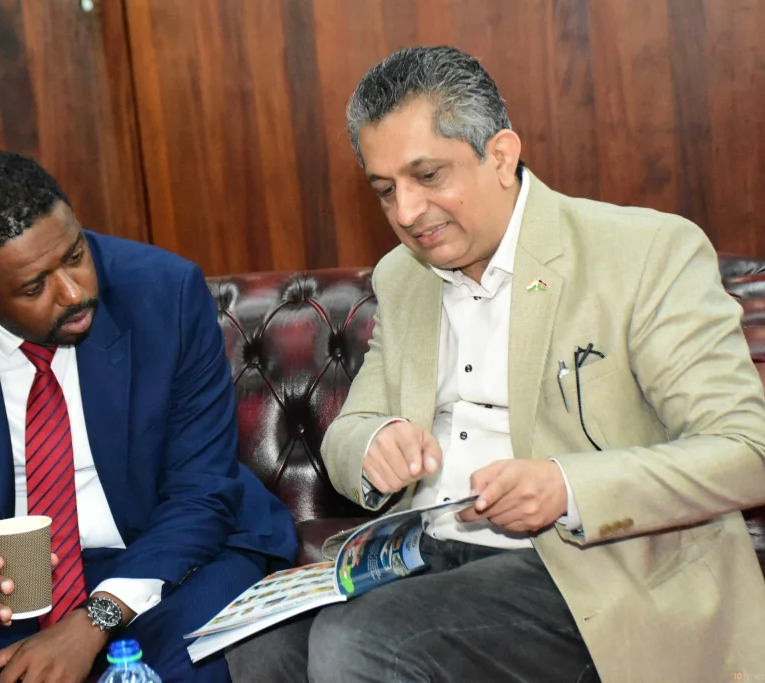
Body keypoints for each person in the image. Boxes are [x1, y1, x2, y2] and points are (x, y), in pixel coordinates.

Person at [225, 46, 765, 683]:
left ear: (502, 156)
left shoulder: (643, 251)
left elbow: (747, 450)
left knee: (362, 642)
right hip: (426, 553)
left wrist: (567, 487)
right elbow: (352, 429)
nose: (406, 213)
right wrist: (374, 443)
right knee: (260, 642)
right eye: (386, 190)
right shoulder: (404, 276)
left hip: (592, 565)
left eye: (429, 176)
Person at [0, 151, 297, 683]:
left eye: (75, 256)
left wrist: (93, 622)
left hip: (165, 561)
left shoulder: (166, 292)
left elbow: (201, 492)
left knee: (190, 662)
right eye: (34, 287)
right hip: (12, 589)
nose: (75, 292)